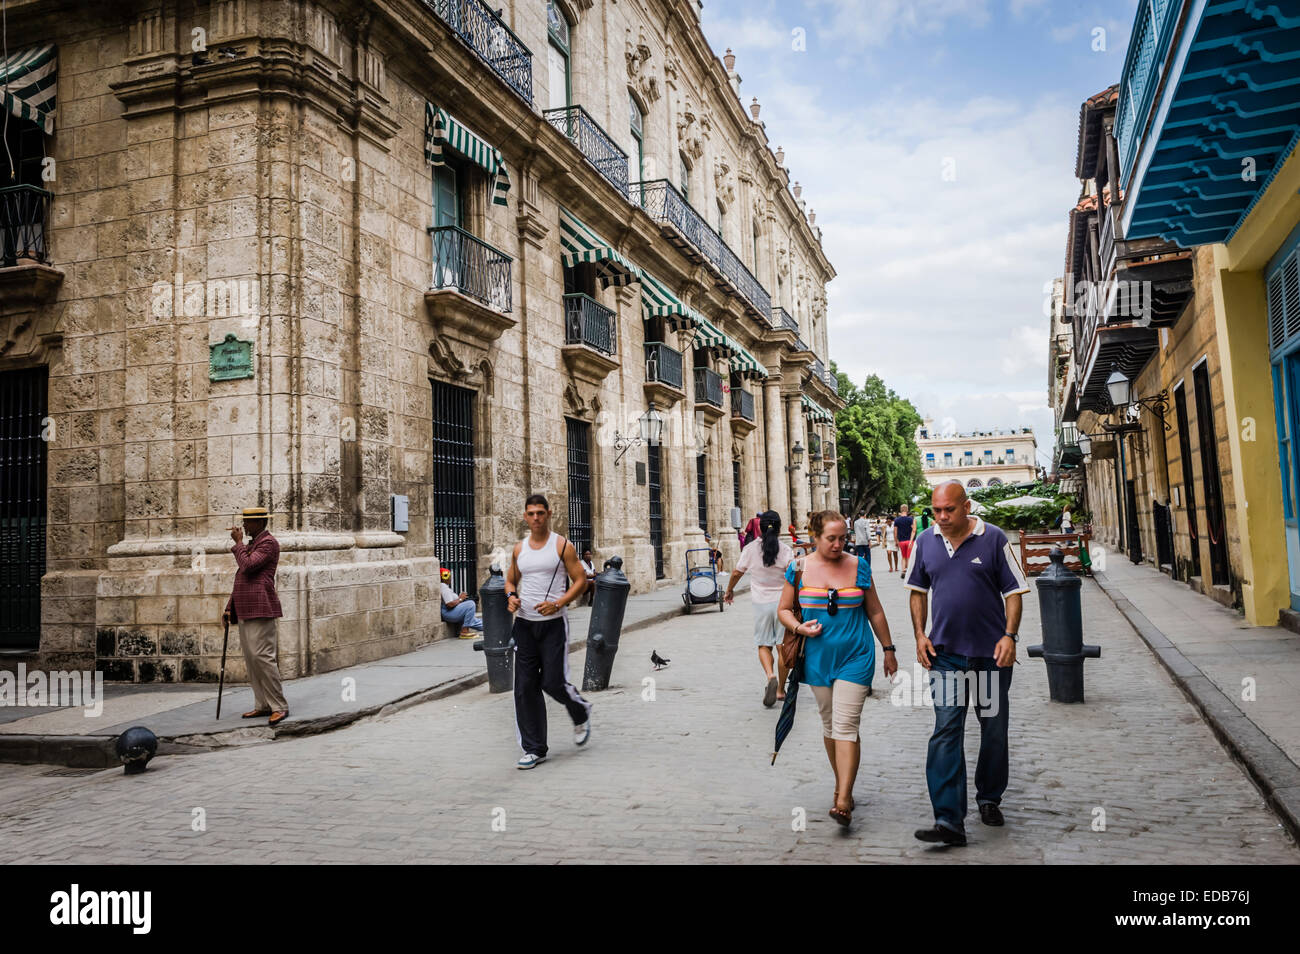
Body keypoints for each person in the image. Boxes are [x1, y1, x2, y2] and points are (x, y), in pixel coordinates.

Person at [906, 481, 1030, 846]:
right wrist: (919, 634)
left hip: (990, 656)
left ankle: (989, 797)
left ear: (966, 506)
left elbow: (1015, 592)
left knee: (992, 728)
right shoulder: (925, 541)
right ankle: (948, 820)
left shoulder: (993, 539)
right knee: (946, 729)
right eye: (937, 510)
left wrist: (1010, 636)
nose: (942, 517)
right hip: (944, 656)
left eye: (949, 510)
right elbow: (917, 590)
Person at [777, 510, 898, 827]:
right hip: (816, 659)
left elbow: (876, 612)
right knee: (831, 725)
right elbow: (784, 610)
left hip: (856, 656)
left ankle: (843, 798)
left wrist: (888, 649)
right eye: (832, 538)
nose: (839, 543)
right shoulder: (799, 568)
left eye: (843, 537)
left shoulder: (859, 566)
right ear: (815, 537)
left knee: (846, 724)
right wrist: (800, 629)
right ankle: (841, 782)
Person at [506, 494, 593, 770]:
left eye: (540, 513)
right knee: (524, 688)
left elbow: (581, 580)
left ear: (549, 514)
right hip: (524, 625)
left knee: (553, 682)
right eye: (530, 513)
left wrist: (558, 602)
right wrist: (510, 596)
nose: (535, 518)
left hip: (554, 625)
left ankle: (580, 710)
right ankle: (534, 748)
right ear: (525, 516)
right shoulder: (520, 549)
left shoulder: (562, 546)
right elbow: (511, 579)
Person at [222, 506, 289, 726]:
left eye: (248, 522)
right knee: (252, 660)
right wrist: (229, 607)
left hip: (261, 606)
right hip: (245, 607)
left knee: (263, 657)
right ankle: (262, 704)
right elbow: (240, 578)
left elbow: (248, 566)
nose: (244, 526)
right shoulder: (252, 545)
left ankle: (279, 705)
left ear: (259, 523)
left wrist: (237, 543)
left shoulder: (269, 543)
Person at [724, 510, 796, 708]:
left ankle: (770, 675)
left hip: (761, 604)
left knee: (764, 644)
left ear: (760, 527)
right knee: (783, 647)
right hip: (783, 604)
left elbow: (738, 572)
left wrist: (729, 590)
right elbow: (795, 576)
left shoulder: (750, 549)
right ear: (779, 527)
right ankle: (781, 689)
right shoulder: (786, 549)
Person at [439, 567, 483, 637]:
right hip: (449, 613)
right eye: (449, 576)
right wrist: (460, 599)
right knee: (471, 604)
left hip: (452, 612)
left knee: (474, 621)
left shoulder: (445, 587)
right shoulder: (443, 586)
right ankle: (464, 631)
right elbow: (449, 604)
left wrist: (460, 599)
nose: (450, 578)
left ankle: (492, 627)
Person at [894, 504, 916, 580]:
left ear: (900, 510)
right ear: (907, 510)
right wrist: (911, 540)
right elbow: (914, 530)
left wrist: (896, 541)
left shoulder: (897, 520)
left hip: (901, 541)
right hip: (909, 541)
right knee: (909, 557)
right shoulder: (911, 519)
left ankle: (903, 571)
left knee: (903, 557)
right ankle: (909, 572)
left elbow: (895, 532)